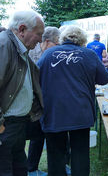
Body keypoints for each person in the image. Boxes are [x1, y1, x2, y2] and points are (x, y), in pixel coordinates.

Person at [37, 25, 108, 176]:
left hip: (54, 112)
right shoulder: (89, 54)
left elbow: (35, 78)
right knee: (80, 152)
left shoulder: (48, 54)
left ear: (62, 38)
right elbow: (104, 79)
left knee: (55, 154)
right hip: (80, 111)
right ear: (82, 40)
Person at [0, 10, 44, 176]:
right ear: (22, 29)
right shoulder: (3, 45)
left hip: (18, 124)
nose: (40, 39)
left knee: (19, 169)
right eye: (38, 34)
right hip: (6, 126)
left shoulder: (19, 48)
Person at [27, 27, 66, 176]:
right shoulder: (33, 52)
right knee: (37, 135)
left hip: (51, 100)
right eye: (57, 44)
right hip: (36, 102)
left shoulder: (51, 52)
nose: (59, 48)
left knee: (53, 135)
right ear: (47, 41)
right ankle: (32, 169)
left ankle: (58, 166)